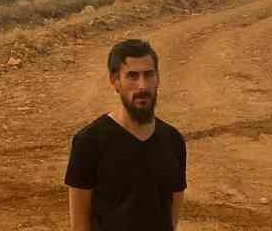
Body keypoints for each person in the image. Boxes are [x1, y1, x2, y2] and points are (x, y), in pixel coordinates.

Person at [64, 38, 186, 230]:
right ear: (115, 82)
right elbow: (79, 225)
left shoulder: (173, 140)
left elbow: (172, 217)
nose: (142, 86)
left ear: (158, 79)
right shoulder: (89, 142)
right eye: (132, 76)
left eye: (149, 75)